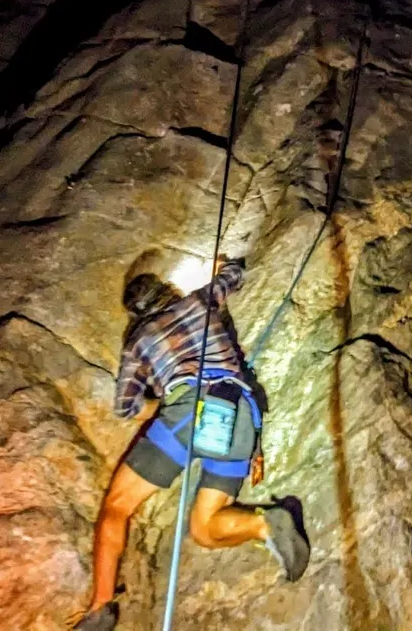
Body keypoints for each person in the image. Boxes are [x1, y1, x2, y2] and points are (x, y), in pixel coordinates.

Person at [72, 254, 310, 631]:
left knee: (116, 508)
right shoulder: (199, 300)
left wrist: (162, 402)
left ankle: (101, 608)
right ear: (168, 292)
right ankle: (267, 526)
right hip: (240, 414)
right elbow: (236, 274)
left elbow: (127, 408)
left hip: (187, 411)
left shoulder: (138, 340)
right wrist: (222, 266)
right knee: (205, 527)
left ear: (135, 312)